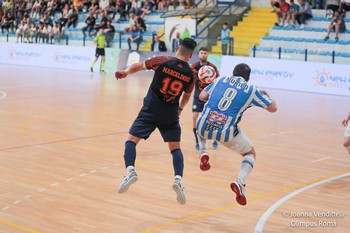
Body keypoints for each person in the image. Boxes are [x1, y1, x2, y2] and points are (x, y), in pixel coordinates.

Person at [115, 38, 198, 205]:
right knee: (175, 149)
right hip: (171, 113)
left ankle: (130, 171)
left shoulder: (162, 61)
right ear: (190, 55)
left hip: (151, 110)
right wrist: (180, 109)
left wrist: (125, 72)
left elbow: (139, 66)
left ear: (177, 48)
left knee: (131, 141)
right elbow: (187, 95)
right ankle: (178, 180)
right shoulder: (191, 74)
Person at [196, 63, 277, 206]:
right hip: (226, 132)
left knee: (202, 122)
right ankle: (240, 181)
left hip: (203, 126)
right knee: (250, 154)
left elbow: (202, 96)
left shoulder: (220, 80)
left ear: (233, 73)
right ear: (248, 78)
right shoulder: (252, 90)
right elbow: (273, 109)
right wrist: (267, 94)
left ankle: (203, 151)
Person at [191, 47, 220, 151]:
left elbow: (218, 81)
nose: (203, 55)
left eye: (205, 53)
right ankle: (197, 141)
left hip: (209, 97)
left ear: (207, 55)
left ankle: (215, 138)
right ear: (199, 54)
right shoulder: (194, 67)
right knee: (194, 116)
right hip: (197, 96)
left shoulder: (212, 67)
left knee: (212, 118)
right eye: (201, 53)